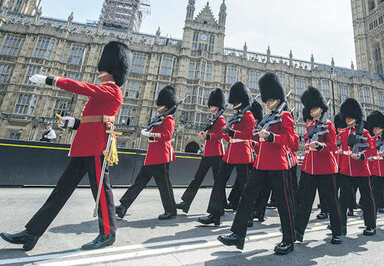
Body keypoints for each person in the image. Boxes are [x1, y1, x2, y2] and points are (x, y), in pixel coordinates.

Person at [0, 41, 130, 251]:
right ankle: (32, 233)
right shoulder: (105, 90)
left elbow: (82, 88)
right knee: (61, 191)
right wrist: (75, 123)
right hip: (85, 146)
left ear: (111, 71)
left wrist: (52, 80)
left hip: (97, 147)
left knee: (101, 192)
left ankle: (108, 233)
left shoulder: (113, 90)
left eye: (102, 69)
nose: (99, 71)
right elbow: (94, 119)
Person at [218, 72, 296, 255]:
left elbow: (291, 140)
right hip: (260, 164)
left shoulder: (285, 116)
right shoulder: (268, 118)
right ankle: (237, 234)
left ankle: (288, 239)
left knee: (284, 204)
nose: (267, 102)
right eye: (266, 100)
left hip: (278, 165)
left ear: (277, 98)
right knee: (246, 197)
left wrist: (271, 137)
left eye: (270, 100)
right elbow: (254, 136)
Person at [115, 85, 178, 220]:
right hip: (152, 156)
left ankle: (171, 210)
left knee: (164, 186)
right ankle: (123, 206)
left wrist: (151, 134)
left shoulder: (169, 119)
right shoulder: (160, 118)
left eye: (161, 105)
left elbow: (167, 136)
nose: (158, 107)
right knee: (139, 183)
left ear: (166, 106)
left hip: (161, 156)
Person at [198, 82, 255, 226]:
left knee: (244, 186)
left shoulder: (248, 115)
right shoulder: (236, 115)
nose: (234, 103)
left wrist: (232, 132)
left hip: (243, 152)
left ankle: (248, 215)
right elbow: (230, 135)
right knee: (219, 182)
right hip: (230, 153)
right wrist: (227, 133)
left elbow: (249, 134)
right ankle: (214, 214)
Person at [294, 86, 342, 244]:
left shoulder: (328, 125)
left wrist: (321, 147)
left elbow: (334, 146)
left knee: (331, 201)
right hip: (310, 168)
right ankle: (298, 231)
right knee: (305, 202)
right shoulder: (309, 126)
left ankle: (337, 231)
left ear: (321, 109)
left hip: (326, 168)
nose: (313, 111)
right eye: (311, 108)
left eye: (315, 108)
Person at [176, 88, 227, 213]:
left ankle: (222, 204)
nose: (211, 107)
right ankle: (186, 202)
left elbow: (221, 135)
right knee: (197, 179)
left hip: (216, 154)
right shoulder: (212, 118)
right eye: (210, 105)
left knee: (218, 181)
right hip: (208, 153)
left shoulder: (220, 119)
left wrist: (207, 136)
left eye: (213, 105)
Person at [338, 98, 376, 236]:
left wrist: (361, 156)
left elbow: (371, 150)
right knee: (343, 200)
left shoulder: (364, 133)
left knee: (367, 199)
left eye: (350, 117)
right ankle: (341, 227)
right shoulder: (342, 133)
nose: (348, 120)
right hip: (346, 170)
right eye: (346, 117)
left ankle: (370, 225)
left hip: (361, 170)